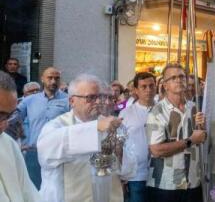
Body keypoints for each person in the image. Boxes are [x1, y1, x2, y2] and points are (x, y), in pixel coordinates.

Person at [37, 74, 135, 202]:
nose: (98, 102)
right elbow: (46, 152)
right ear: (72, 101)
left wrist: (119, 151)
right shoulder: (56, 126)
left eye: (100, 97)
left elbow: (130, 172)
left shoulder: (111, 125)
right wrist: (95, 128)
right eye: (91, 98)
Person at [146, 63, 206, 202]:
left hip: (193, 181)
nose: (178, 80)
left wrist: (203, 129)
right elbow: (156, 150)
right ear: (165, 85)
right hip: (166, 184)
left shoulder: (194, 107)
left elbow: (202, 137)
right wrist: (190, 141)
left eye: (181, 76)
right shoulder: (157, 112)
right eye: (173, 78)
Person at [17, 66, 69, 189]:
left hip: (59, 153)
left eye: (57, 78)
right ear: (42, 79)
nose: (53, 81)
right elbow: (13, 120)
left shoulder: (68, 100)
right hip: (34, 152)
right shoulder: (29, 100)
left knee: (56, 190)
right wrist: (20, 142)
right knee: (33, 189)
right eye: (50, 78)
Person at [0, 70, 40, 202]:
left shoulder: (7, 143)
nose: (4, 125)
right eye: (0, 115)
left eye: (8, 116)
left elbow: (28, 191)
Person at [119, 72, 157, 202]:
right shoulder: (126, 113)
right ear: (136, 90)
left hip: (161, 175)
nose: (148, 90)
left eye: (151, 86)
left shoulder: (164, 110)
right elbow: (119, 144)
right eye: (144, 86)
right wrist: (121, 173)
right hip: (136, 176)